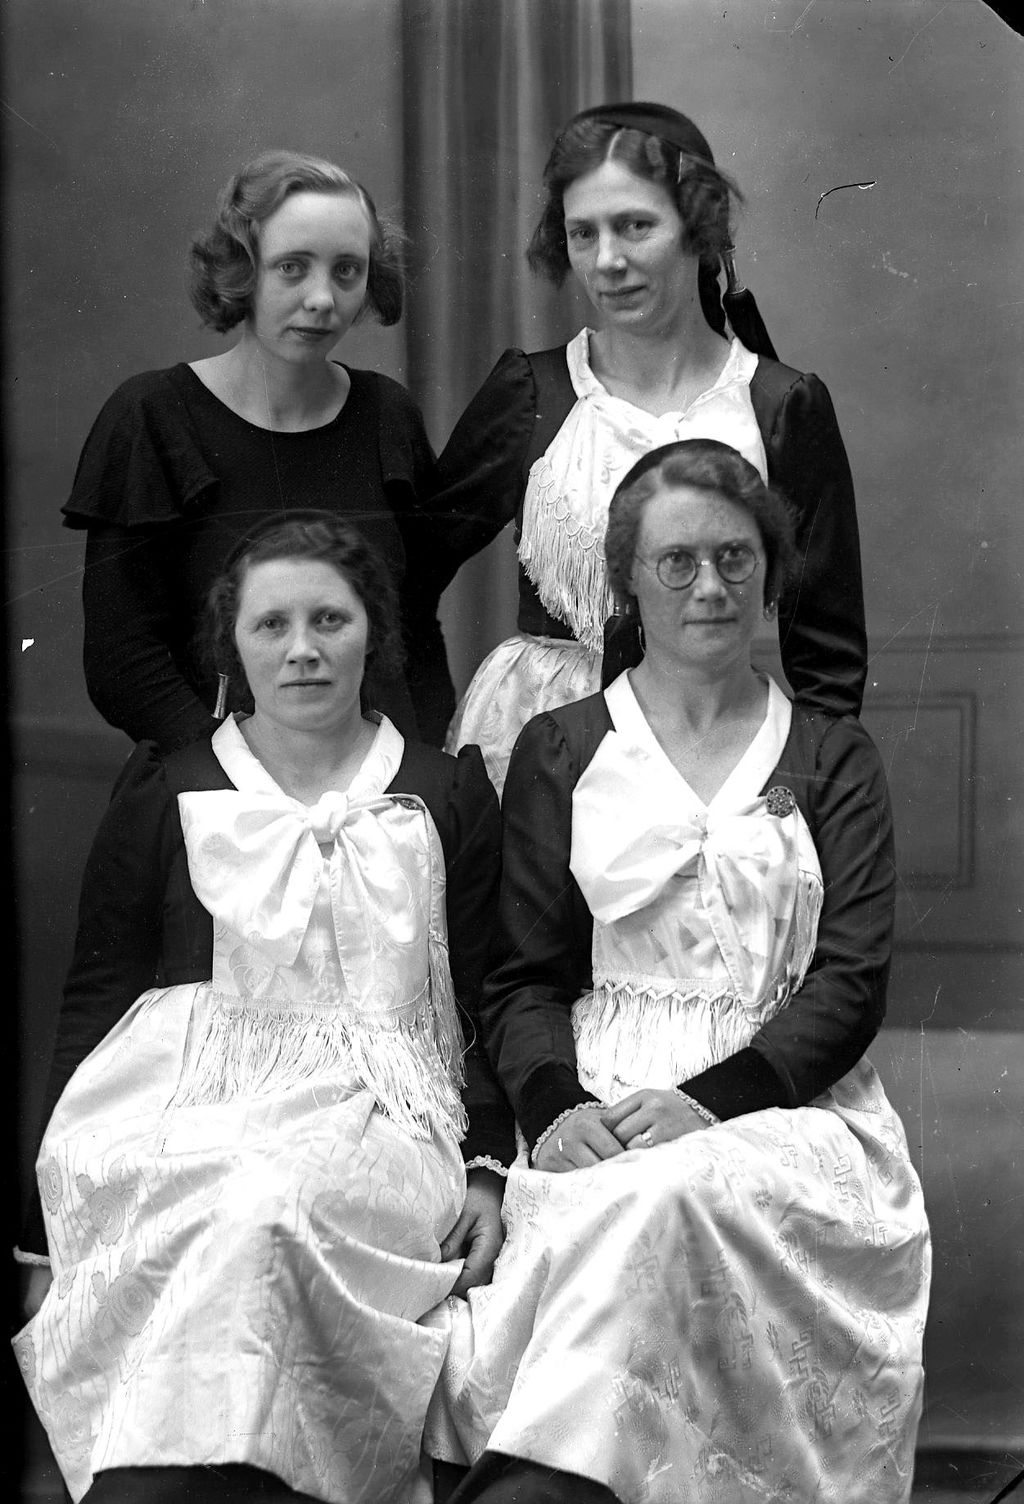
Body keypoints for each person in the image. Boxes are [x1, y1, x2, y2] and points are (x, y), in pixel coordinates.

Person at [430, 441, 929, 1504]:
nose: (710, 586)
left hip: (783, 1103)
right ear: (627, 581)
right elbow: (522, 978)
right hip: (597, 1094)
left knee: (668, 1193)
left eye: (735, 558)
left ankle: (536, 1490)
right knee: (627, 1196)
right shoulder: (563, 747)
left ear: (771, 573)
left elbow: (849, 984)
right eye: (677, 562)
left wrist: (708, 1104)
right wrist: (555, 1108)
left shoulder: (831, 756)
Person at [14, 516, 513, 1504]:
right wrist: (37, 1234)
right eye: (271, 624)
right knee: (223, 1201)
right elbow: (96, 996)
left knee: (268, 1203)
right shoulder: (170, 786)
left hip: (381, 1113)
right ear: (231, 645)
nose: (302, 649)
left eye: (329, 619)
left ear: (373, 631)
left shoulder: (443, 790)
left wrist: (489, 1165)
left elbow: (487, 994)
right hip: (180, 1100)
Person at [435, 101, 866, 794]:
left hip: (711, 743)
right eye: (583, 233)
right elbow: (402, 576)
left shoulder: (777, 406)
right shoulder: (533, 393)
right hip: (534, 755)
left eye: (636, 225)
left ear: (698, 227)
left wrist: (807, 795)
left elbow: (828, 661)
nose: (608, 261)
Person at [64, 149, 455, 750]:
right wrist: (243, 776)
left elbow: (414, 629)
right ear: (243, 273)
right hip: (215, 784)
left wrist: (415, 767)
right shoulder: (153, 416)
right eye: (292, 268)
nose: (322, 298)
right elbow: (122, 661)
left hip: (375, 782)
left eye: (347, 270)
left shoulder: (387, 415)